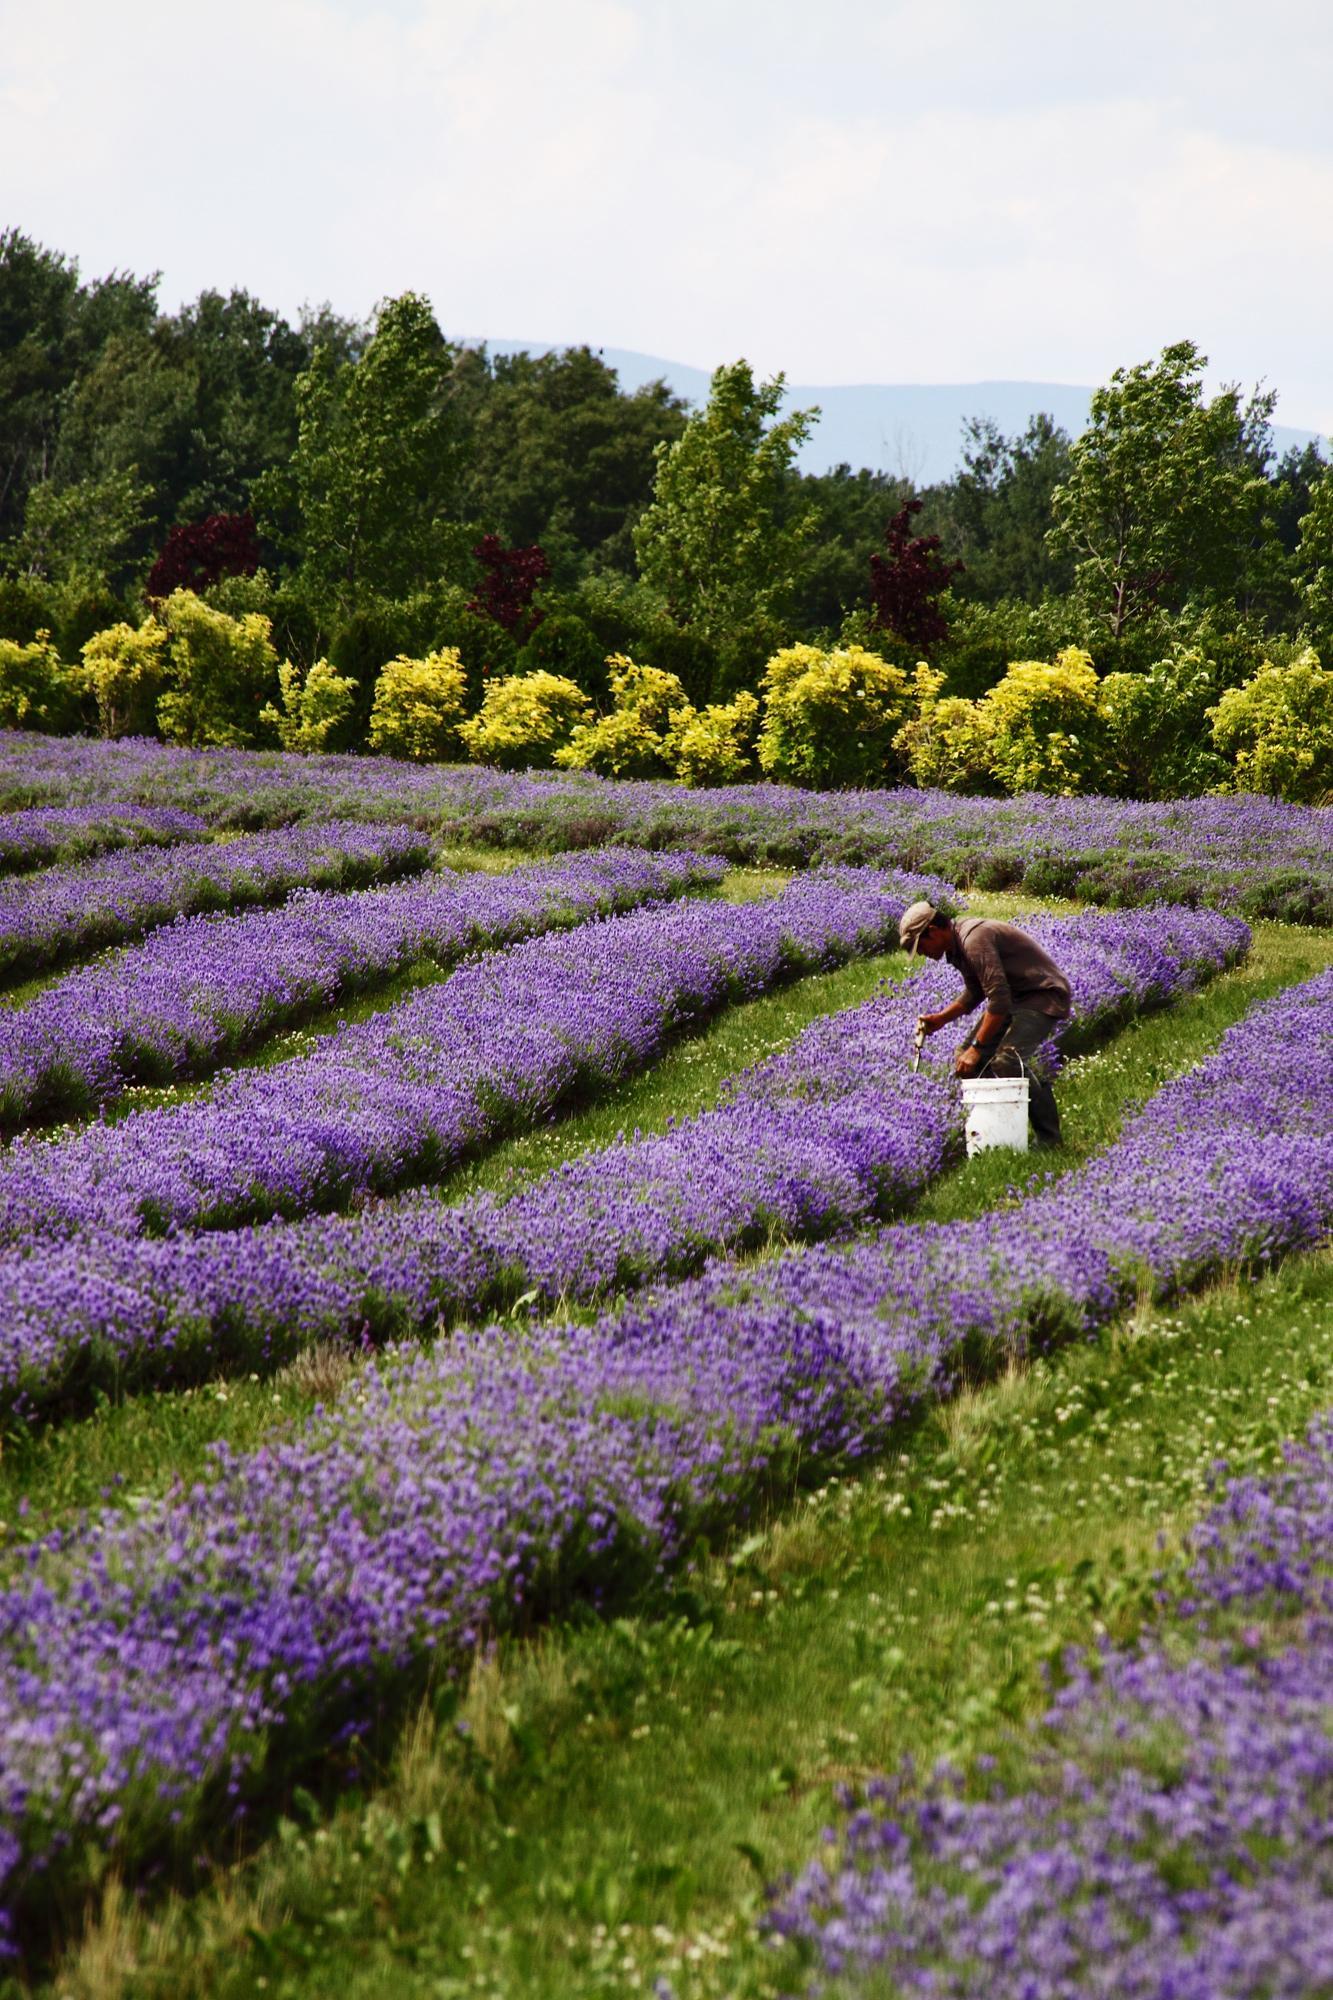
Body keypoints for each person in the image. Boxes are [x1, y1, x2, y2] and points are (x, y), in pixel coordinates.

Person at [898, 900, 1070, 1145]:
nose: (923, 953)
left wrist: (977, 1048)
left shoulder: (973, 940)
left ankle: (1050, 1140)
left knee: (1008, 1060)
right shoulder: (957, 947)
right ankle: (1000, 1132)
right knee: (965, 1060)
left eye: (921, 946)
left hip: (1042, 995)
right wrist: (941, 1019)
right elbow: (975, 992)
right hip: (1016, 998)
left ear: (934, 931)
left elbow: (998, 1000)